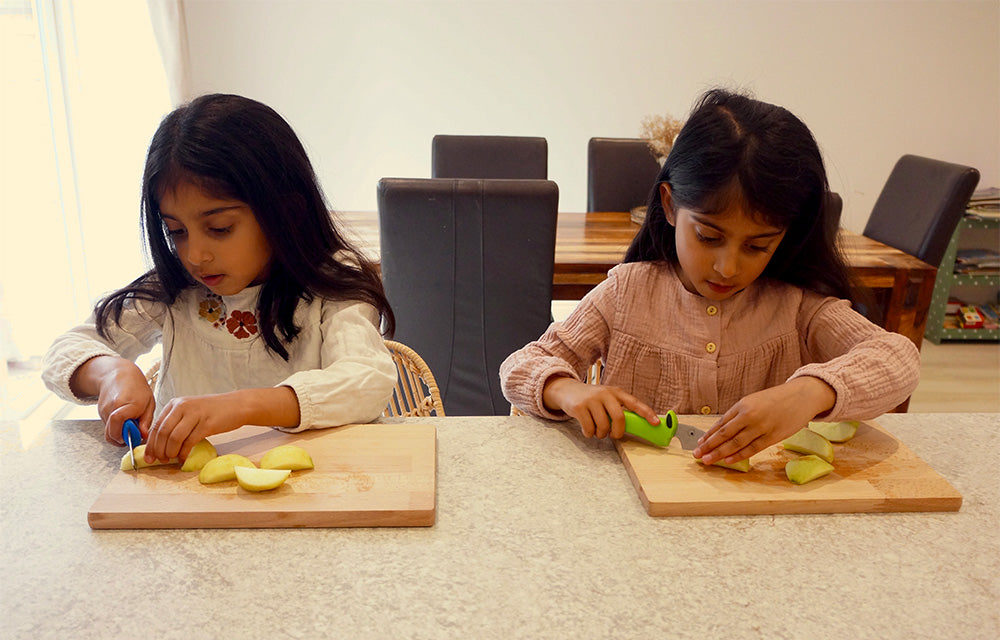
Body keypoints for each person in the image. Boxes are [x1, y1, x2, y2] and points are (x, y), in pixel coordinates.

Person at [501, 88, 919, 467]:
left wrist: (808, 393)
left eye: (757, 246)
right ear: (668, 206)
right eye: (708, 236)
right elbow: (522, 365)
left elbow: (898, 358)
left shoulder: (797, 306)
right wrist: (568, 391)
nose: (728, 267)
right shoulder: (626, 293)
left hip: (760, 513)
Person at [42, 94, 398, 464]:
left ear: (287, 212)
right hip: (185, 494)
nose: (195, 255)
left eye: (219, 228)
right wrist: (110, 373)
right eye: (177, 231)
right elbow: (65, 351)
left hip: (309, 492)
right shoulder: (176, 288)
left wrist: (241, 406)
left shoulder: (331, 285)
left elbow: (367, 380)